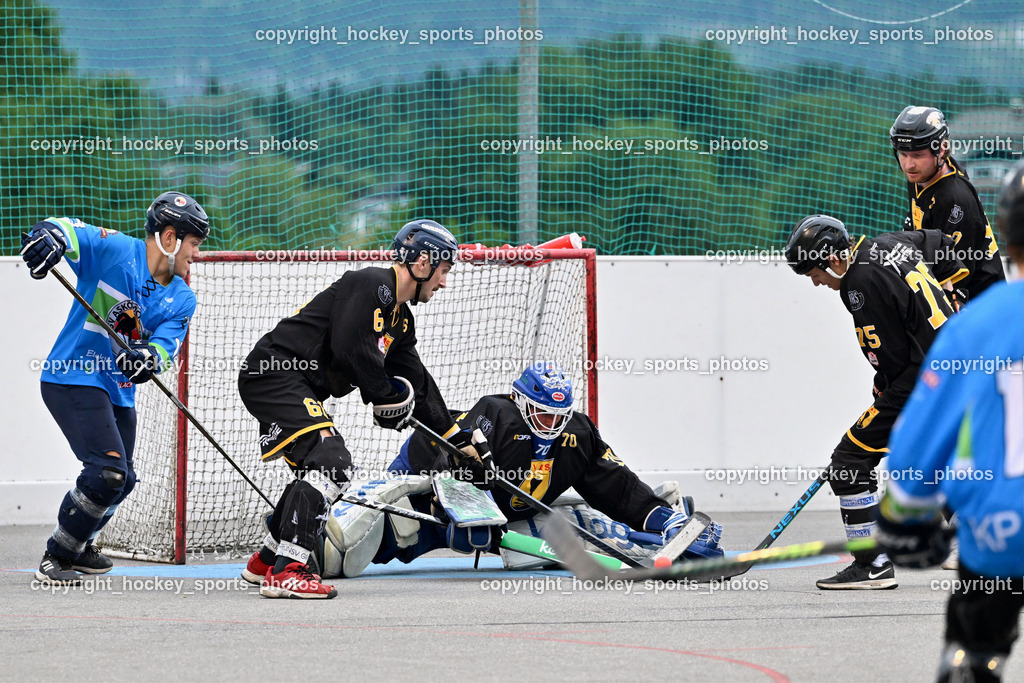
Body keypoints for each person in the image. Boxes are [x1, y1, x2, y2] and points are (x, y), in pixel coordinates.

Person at [238, 219, 485, 599]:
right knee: (333, 463)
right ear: (422, 263)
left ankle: (266, 561)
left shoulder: (401, 320)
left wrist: (457, 440)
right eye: (444, 270)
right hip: (276, 373)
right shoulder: (372, 284)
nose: (444, 281)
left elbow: (419, 382)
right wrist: (385, 396)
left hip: (295, 385)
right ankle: (289, 571)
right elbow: (351, 349)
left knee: (317, 469)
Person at [321, 362, 723, 578]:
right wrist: (465, 510)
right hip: (432, 492)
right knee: (391, 532)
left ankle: (669, 535)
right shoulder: (498, 417)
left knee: (584, 522)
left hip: (509, 514)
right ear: (519, 402)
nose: (552, 426)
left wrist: (663, 520)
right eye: (542, 415)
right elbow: (449, 470)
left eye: (559, 416)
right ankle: (307, 540)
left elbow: (616, 487)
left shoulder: (578, 433)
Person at [876, 162, 1024, 682]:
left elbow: (916, 451)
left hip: (1002, 529)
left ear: (1005, 233)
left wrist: (906, 520)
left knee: (974, 653)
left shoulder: (973, 327)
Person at [21, 191, 209, 585]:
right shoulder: (117, 251)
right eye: (193, 244)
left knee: (123, 480)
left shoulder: (182, 298)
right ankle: (57, 556)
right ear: (170, 238)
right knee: (106, 472)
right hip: (72, 376)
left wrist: (148, 358)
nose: (196, 255)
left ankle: (80, 543)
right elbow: (71, 232)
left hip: (118, 390)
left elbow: (164, 347)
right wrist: (49, 236)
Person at [784, 214, 967, 589]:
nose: (817, 283)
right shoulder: (888, 243)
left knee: (850, 459)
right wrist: (955, 294)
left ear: (834, 259)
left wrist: (883, 387)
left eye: (815, 273)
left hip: (927, 381)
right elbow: (939, 241)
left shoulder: (859, 284)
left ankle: (873, 565)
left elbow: (899, 365)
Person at [890, 105, 1005, 301]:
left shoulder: (955, 200)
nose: (909, 164)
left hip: (980, 303)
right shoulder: (922, 175)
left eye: (918, 155)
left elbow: (955, 285)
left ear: (941, 150)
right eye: (903, 154)